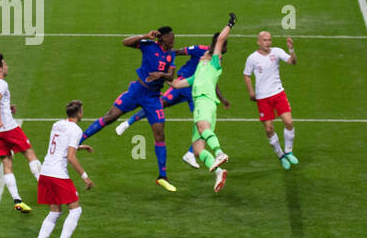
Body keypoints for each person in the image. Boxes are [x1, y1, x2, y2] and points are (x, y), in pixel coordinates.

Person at [79, 27, 179, 192]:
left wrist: (160, 75)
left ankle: (162, 176)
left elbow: (171, 76)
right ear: (162, 38)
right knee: (110, 117)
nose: (174, 40)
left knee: (160, 133)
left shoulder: (171, 54)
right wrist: (145, 35)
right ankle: (78, 141)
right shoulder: (148, 45)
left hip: (153, 98)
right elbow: (125, 42)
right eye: (171, 37)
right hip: (137, 91)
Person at [115, 38, 231, 168]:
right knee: (159, 104)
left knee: (200, 124)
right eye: (225, 46)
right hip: (182, 84)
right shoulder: (200, 50)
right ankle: (127, 123)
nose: (226, 49)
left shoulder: (217, 59)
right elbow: (178, 52)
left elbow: (211, 81)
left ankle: (191, 153)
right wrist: (164, 62)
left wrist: (222, 98)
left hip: (197, 92)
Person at [169, 14, 235, 193]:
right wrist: (159, 75)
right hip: (203, 105)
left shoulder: (214, 63)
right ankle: (219, 172)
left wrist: (230, 23)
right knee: (198, 150)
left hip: (205, 101)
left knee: (202, 126)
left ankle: (220, 153)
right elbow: (175, 83)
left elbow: (220, 39)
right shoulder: (198, 72)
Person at [30, 99, 94, 238]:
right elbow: (70, 156)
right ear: (79, 113)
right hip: (58, 174)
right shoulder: (76, 129)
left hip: (46, 172)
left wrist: (80, 147)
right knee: (76, 209)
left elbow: (60, 145)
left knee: (55, 211)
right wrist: (85, 177)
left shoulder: (57, 124)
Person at [0, 53, 42, 214]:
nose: (8, 66)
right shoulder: (1, 84)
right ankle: (47, 190)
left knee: (7, 163)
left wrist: (5, 108)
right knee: (30, 153)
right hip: (7, 127)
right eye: (5, 64)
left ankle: (17, 200)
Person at [242, 31, 299, 169]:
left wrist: (291, 50)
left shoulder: (277, 52)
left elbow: (293, 62)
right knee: (268, 129)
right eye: (265, 40)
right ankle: (281, 155)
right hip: (262, 97)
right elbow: (246, 75)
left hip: (278, 93)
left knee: (289, 121)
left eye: (269, 40)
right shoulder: (252, 58)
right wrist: (251, 92)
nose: (268, 43)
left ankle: (288, 151)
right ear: (259, 42)